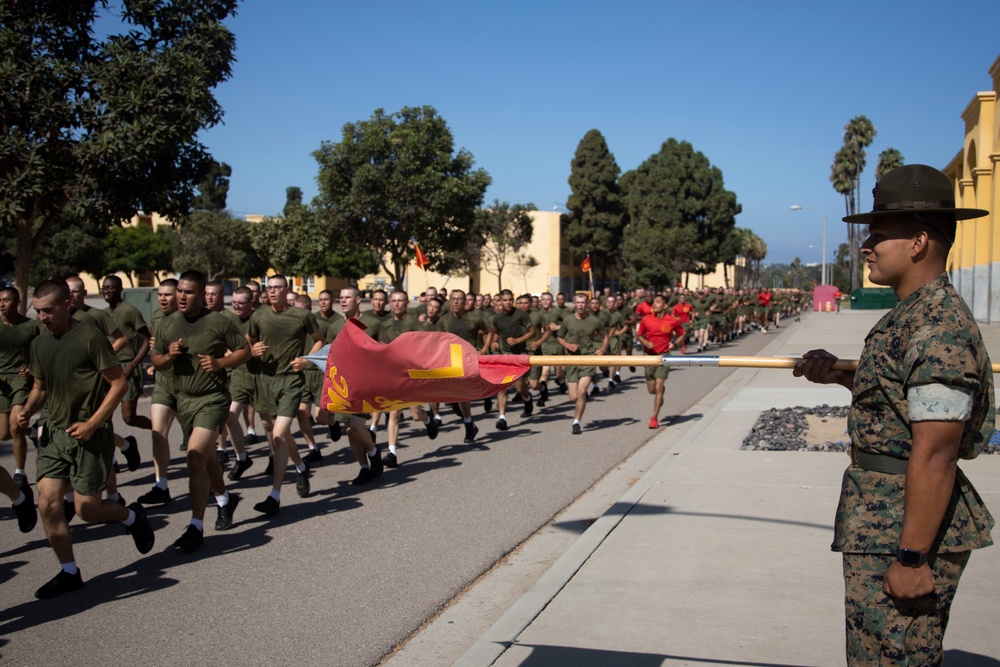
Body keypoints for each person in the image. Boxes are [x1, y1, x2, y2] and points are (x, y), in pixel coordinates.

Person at [792, 164, 995, 665]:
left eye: (878, 235)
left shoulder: (938, 327)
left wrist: (912, 557)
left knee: (896, 657)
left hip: (902, 528)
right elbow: (903, 403)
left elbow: (937, 450)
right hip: (881, 518)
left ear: (920, 242)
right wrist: (840, 376)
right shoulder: (911, 315)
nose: (867, 245)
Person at [16, 280, 155, 599]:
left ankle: (131, 515)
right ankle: (69, 571)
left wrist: (93, 423)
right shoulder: (40, 343)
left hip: (89, 435)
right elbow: (40, 388)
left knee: (89, 509)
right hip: (54, 431)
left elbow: (118, 385)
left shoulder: (91, 338)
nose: (43, 318)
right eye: (38, 312)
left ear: (67, 305)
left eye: (48, 311)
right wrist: (27, 410)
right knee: (47, 503)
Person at [151, 271, 250, 551]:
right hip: (184, 400)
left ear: (202, 294)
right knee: (206, 461)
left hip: (213, 399)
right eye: (179, 291)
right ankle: (224, 499)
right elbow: (156, 361)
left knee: (194, 457)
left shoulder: (218, 322)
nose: (182, 296)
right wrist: (169, 356)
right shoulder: (167, 324)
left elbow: (245, 351)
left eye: (189, 292)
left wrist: (221, 363)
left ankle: (195, 527)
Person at [246, 275, 324, 515]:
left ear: (286, 290)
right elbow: (247, 342)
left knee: (279, 435)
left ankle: (274, 495)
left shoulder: (301, 315)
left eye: (276, 288)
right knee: (275, 431)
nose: (271, 292)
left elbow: (320, 340)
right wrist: (252, 350)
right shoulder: (258, 315)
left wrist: (306, 359)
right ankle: (300, 467)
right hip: (266, 380)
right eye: (268, 288)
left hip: (291, 381)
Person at [325, 285, 390, 484]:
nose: (343, 301)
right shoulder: (335, 327)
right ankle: (363, 467)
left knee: (356, 425)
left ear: (359, 299)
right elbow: (328, 354)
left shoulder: (372, 323)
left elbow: (387, 348)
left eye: (348, 297)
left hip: (366, 383)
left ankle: (373, 451)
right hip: (343, 384)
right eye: (341, 298)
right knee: (349, 429)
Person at [0, 287, 38, 490]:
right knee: (4, 434)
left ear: (17, 301)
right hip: (1, 382)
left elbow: (40, 352)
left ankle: (20, 472)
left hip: (20, 380)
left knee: (15, 426)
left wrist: (31, 368)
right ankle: (32, 432)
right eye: (0, 300)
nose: (2, 304)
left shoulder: (30, 326)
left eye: (6, 300)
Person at [556, 293, 608, 434]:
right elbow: (560, 337)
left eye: (583, 302)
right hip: (572, 359)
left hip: (588, 358)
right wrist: (567, 345)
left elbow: (605, 336)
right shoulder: (568, 320)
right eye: (578, 302)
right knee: (573, 397)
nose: (580, 305)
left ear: (588, 304)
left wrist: (602, 349)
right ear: (574, 303)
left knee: (582, 391)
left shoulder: (594, 321)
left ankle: (576, 422)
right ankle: (580, 404)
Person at [636, 295, 685, 429]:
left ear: (665, 306)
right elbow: (639, 335)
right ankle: (660, 392)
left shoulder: (672, 321)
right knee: (652, 390)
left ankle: (654, 418)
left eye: (658, 302)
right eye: (654, 303)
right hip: (649, 356)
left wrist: (674, 344)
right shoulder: (646, 319)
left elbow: (682, 334)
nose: (654, 304)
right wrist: (645, 342)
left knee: (658, 386)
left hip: (664, 356)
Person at [489, 290, 535, 431]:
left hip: (519, 354)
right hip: (504, 354)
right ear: (500, 302)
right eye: (505, 300)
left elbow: (532, 331)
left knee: (520, 387)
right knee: (502, 387)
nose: (508, 303)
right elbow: (496, 333)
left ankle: (527, 399)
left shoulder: (521, 314)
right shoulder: (496, 318)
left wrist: (517, 340)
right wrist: (494, 343)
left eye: (510, 300)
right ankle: (502, 418)